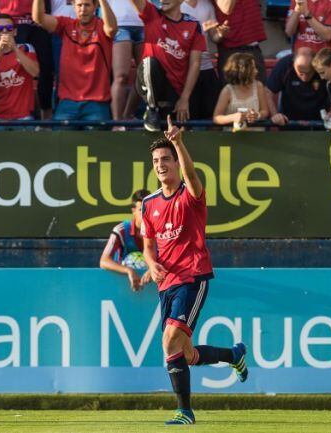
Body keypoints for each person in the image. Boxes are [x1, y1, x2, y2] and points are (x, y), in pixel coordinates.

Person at [141, 116, 248, 425]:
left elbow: (192, 176)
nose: (160, 165)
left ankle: (184, 411)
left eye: (165, 159)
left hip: (193, 276)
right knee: (185, 354)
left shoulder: (190, 196)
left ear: (176, 163)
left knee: (169, 342)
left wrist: (178, 141)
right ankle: (233, 355)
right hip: (167, 283)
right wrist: (151, 263)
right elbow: (148, 246)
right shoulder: (148, 205)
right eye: (155, 161)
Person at [33, 0, 116, 122]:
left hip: (96, 104)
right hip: (67, 103)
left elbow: (112, 29)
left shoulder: (102, 27)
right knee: (61, 140)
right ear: (73, 7)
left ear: (95, 6)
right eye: (79, 5)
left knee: (96, 141)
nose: (83, 9)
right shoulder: (66, 24)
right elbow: (39, 18)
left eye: (87, 5)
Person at [129, 0, 205, 131]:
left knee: (174, 136)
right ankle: (151, 109)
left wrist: (184, 98)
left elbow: (195, 63)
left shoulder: (193, 25)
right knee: (149, 62)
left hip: (174, 91)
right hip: (147, 83)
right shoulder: (152, 14)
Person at [0, 0, 53, 120]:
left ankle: (46, 120)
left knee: (45, 71)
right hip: (11, 18)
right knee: (14, 67)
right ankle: (8, 116)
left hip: (37, 19)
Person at [0, 13, 39, 128]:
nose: (5, 31)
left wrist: (15, 49)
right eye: (0, 29)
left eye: (9, 28)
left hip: (24, 116)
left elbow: (35, 72)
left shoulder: (26, 48)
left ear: (15, 32)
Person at [180, 0, 228, 120]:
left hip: (206, 66)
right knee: (186, 116)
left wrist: (221, 34)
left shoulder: (207, 6)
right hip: (184, 69)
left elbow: (214, 37)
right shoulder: (177, 5)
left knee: (212, 113)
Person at [99, 189, 151, 291]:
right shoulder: (121, 230)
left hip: (152, 287)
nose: (145, 214)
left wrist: (153, 268)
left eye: (149, 209)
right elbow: (104, 261)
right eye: (141, 210)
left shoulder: (160, 231)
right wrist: (128, 270)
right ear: (134, 211)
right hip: (120, 286)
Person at [266, 46, 329, 124]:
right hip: (289, 121)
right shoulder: (284, 65)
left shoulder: (322, 67)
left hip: (320, 121)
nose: (305, 78)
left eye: (309, 73)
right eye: (300, 73)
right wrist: (275, 115)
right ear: (293, 63)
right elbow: (268, 91)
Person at [212, 0, 267, 82]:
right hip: (231, 51)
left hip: (253, 48)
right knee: (232, 92)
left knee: (257, 91)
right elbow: (226, 8)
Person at [212, 52, 268, 130]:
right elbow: (216, 118)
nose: (256, 71)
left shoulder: (258, 86)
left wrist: (257, 115)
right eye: (253, 68)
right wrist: (233, 117)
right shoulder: (227, 91)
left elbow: (265, 111)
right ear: (243, 71)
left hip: (256, 135)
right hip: (233, 138)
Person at [108, 0, 143, 125]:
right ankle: (117, 122)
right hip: (119, 23)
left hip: (145, 22)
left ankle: (128, 116)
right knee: (121, 76)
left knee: (144, 77)